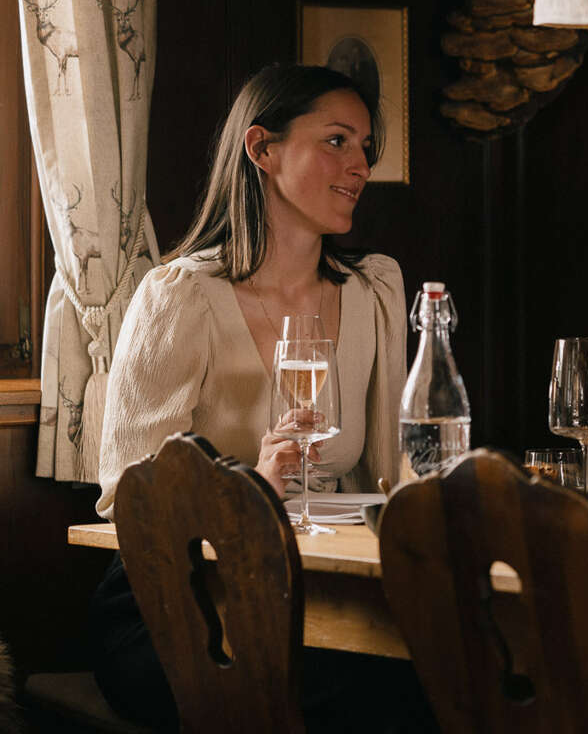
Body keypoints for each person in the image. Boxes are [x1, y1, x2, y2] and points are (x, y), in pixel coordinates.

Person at [89, 63, 421, 732]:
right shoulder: (180, 296)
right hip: (178, 609)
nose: (359, 165)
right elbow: (128, 497)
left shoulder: (375, 290)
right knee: (376, 695)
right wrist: (249, 489)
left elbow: (395, 476)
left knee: (447, 671)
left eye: (365, 148)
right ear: (262, 149)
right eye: (337, 141)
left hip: (323, 593)